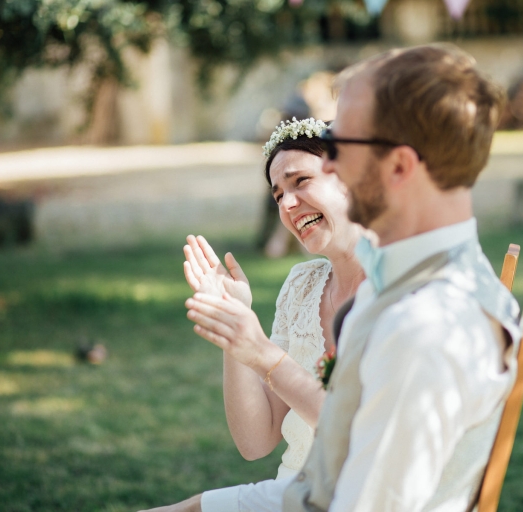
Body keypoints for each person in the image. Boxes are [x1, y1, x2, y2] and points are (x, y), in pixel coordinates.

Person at [282, 44, 523, 512]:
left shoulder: (421, 329)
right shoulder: (410, 281)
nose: (326, 165)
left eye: (340, 144)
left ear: (399, 166)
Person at [139, 118, 365, 512]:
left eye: (300, 182)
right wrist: (235, 323)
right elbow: (255, 441)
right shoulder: (302, 285)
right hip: (294, 490)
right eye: (278, 195)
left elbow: (358, 434)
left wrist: (260, 350)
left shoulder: (403, 292)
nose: (288, 204)